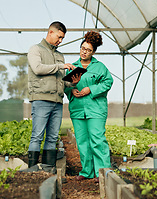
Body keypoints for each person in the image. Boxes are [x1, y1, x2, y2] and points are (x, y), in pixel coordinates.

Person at [27, 21, 78, 169]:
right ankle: (33, 171)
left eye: (62, 38)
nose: (60, 41)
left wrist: (73, 81)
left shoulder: (59, 55)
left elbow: (62, 80)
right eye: (59, 37)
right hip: (41, 99)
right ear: (50, 32)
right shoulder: (35, 50)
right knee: (37, 136)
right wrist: (61, 66)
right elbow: (37, 69)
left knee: (52, 137)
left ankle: (48, 170)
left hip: (57, 101)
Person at [65, 31, 113, 182]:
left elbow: (108, 82)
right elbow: (65, 86)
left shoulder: (100, 67)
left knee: (97, 139)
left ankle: (102, 172)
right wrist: (71, 89)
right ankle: (87, 171)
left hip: (96, 109)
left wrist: (90, 89)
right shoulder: (72, 67)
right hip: (78, 109)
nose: (84, 52)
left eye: (88, 50)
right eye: (82, 48)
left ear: (93, 52)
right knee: (82, 141)